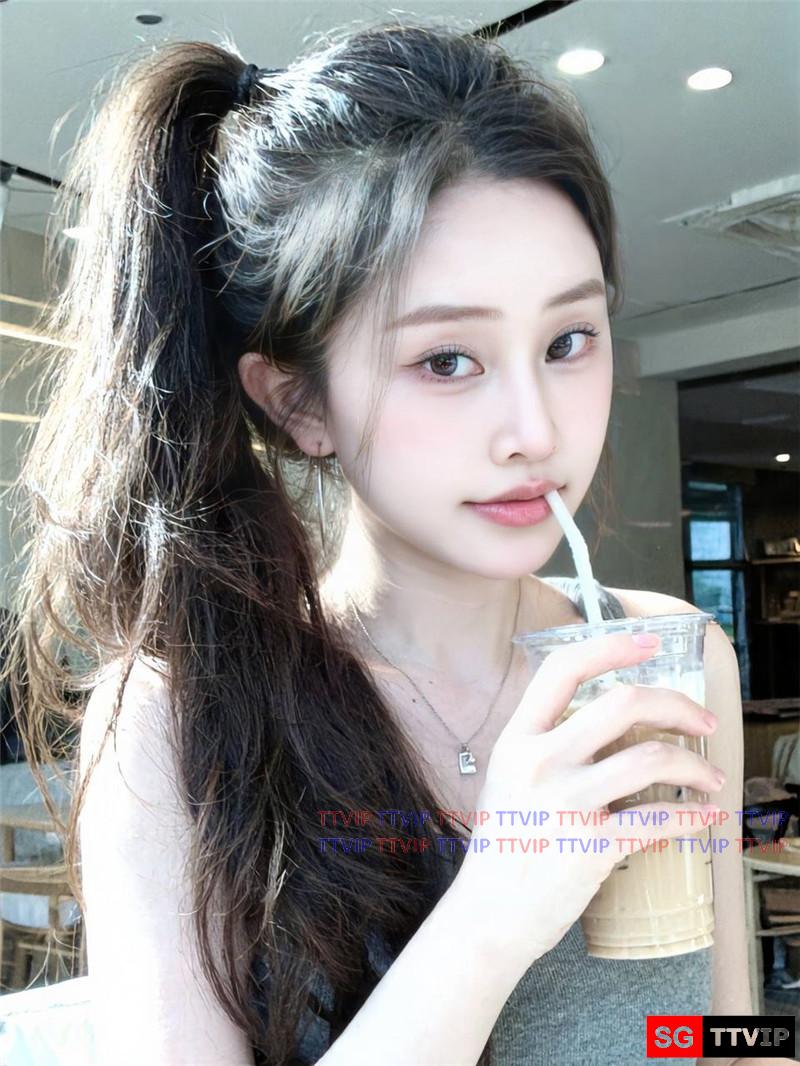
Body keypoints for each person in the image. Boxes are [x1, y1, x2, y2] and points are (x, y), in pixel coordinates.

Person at [1, 18, 780, 1066]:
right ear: (297, 402)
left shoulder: (671, 658)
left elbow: (717, 1028)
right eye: (446, 360)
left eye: (568, 340)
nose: (536, 430)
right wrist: (492, 913)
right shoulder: (178, 720)